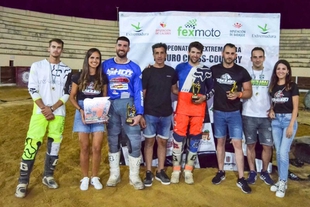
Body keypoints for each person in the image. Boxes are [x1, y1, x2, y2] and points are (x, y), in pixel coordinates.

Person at [15, 38, 71, 198]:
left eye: (59, 47)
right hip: (39, 113)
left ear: (62, 50)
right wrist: (44, 108)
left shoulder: (67, 70)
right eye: (53, 47)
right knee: (31, 144)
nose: (56, 50)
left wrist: (52, 108)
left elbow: (67, 93)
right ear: (48, 49)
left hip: (58, 113)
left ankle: (48, 176)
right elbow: (32, 88)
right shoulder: (37, 66)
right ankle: (23, 181)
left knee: (54, 146)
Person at [102, 36, 144, 190]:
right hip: (110, 106)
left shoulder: (135, 67)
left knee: (134, 140)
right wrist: (100, 109)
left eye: (125, 46)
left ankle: (134, 176)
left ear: (128, 48)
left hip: (129, 105)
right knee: (112, 140)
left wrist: (139, 113)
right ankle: (115, 174)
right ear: (115, 46)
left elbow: (139, 91)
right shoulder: (105, 65)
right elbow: (100, 87)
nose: (122, 48)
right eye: (119, 45)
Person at [211, 43, 252, 194]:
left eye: (232, 53)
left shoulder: (241, 71)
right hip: (218, 113)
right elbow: (201, 80)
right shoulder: (214, 69)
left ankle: (241, 178)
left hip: (235, 113)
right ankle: (221, 171)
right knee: (220, 142)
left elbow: (249, 91)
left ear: (236, 55)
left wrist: (239, 94)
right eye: (227, 53)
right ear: (223, 54)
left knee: (237, 144)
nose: (229, 56)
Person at [171, 41, 214, 185]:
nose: (195, 55)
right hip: (182, 109)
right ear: (188, 52)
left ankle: (188, 170)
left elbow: (212, 90)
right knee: (178, 139)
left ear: (201, 54)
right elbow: (172, 85)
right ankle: (176, 170)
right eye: (193, 52)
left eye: (198, 52)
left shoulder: (206, 70)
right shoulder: (180, 67)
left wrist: (204, 97)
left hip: (198, 110)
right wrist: (183, 95)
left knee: (195, 139)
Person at [69, 48, 108, 191]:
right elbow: (72, 97)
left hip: (97, 113)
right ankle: (85, 177)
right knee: (84, 147)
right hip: (82, 112)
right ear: (87, 59)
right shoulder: (77, 76)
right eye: (92, 58)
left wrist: (104, 114)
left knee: (97, 147)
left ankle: (95, 176)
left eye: (97, 58)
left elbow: (104, 97)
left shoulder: (103, 77)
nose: (94, 60)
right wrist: (80, 111)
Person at [139, 43, 178, 187]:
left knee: (162, 143)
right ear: (153, 55)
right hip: (150, 114)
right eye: (157, 53)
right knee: (149, 143)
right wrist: (140, 114)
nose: (160, 56)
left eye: (162, 53)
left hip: (166, 114)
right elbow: (142, 94)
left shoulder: (171, 71)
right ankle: (149, 171)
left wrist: (191, 94)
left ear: (166, 54)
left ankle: (160, 170)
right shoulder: (147, 72)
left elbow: (175, 90)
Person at [242, 47, 274, 186]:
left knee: (267, 146)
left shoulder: (271, 73)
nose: (257, 59)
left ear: (264, 58)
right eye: (255, 57)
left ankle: (265, 171)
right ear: (251, 58)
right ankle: (253, 171)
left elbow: (276, 93)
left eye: (260, 57)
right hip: (248, 114)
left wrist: (273, 108)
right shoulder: (245, 73)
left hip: (266, 115)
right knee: (251, 145)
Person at [268, 60, 299, 198]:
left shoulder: (292, 86)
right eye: (278, 68)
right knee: (279, 153)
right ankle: (282, 180)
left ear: (288, 71)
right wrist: (271, 111)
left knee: (283, 152)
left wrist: (291, 125)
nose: (280, 71)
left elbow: (296, 108)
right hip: (276, 122)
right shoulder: (273, 86)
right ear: (276, 71)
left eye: (283, 68)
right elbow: (274, 104)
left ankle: (283, 182)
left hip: (288, 121)